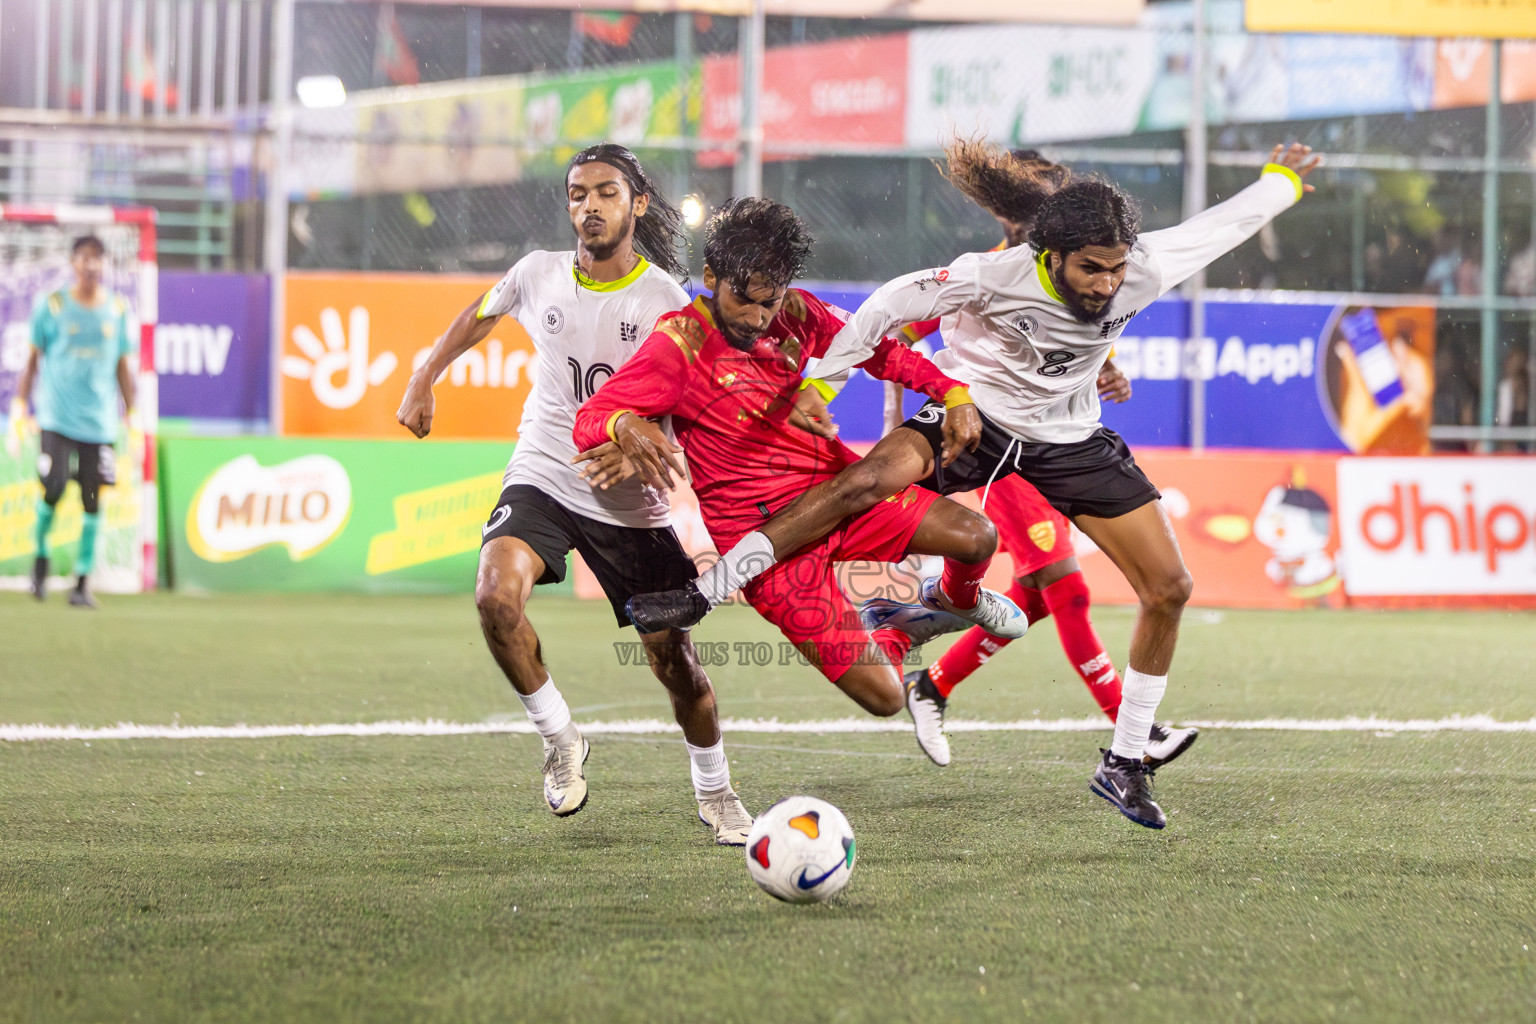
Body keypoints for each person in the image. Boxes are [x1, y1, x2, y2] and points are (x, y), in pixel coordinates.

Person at [631, 139, 1322, 830]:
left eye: (1116, 269)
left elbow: (1231, 221)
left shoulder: (1145, 267)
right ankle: (708, 591)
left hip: (1070, 439)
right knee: (865, 480)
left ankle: (1125, 764)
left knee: (1170, 586)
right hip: (978, 419)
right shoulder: (992, 275)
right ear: (1049, 257)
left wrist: (1281, 180)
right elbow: (890, 305)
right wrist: (823, 381)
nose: (1107, 284)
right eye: (1091, 270)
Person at [394, 143, 752, 845]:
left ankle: (718, 793)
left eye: (606, 193)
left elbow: (699, 410)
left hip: (629, 503)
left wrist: (649, 446)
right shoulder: (538, 274)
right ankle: (561, 739)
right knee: (494, 597)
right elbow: (482, 311)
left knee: (673, 663)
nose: (589, 206)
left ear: (638, 204)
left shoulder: (666, 304)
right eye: (577, 194)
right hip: (547, 472)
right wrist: (423, 375)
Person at [571, 197, 1028, 722]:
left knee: (977, 537)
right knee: (887, 700)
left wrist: (951, 391)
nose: (758, 317)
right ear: (711, 275)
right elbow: (592, 417)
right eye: (744, 300)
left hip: (838, 492)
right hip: (763, 543)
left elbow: (880, 351)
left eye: (770, 301)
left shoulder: (797, 313)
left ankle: (952, 603)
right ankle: (890, 633)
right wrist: (624, 424)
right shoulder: (679, 343)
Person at [882, 148, 1196, 771]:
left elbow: (1073, 343)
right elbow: (899, 336)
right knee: (1067, 589)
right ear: (1014, 215)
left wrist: (1109, 369)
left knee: (1033, 593)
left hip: (1058, 446)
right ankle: (1133, 730)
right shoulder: (990, 276)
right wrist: (910, 411)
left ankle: (930, 676)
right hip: (1003, 448)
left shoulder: (1077, 279)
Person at [10, 234, 136, 609]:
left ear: (104, 264)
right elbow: (32, 362)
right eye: (84, 257)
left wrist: (134, 414)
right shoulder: (51, 306)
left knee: (93, 499)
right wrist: (20, 406)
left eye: (98, 258)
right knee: (52, 487)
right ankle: (40, 563)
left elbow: (122, 368)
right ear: (73, 263)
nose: (91, 265)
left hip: (99, 425)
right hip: (57, 419)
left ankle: (82, 582)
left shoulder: (116, 308)